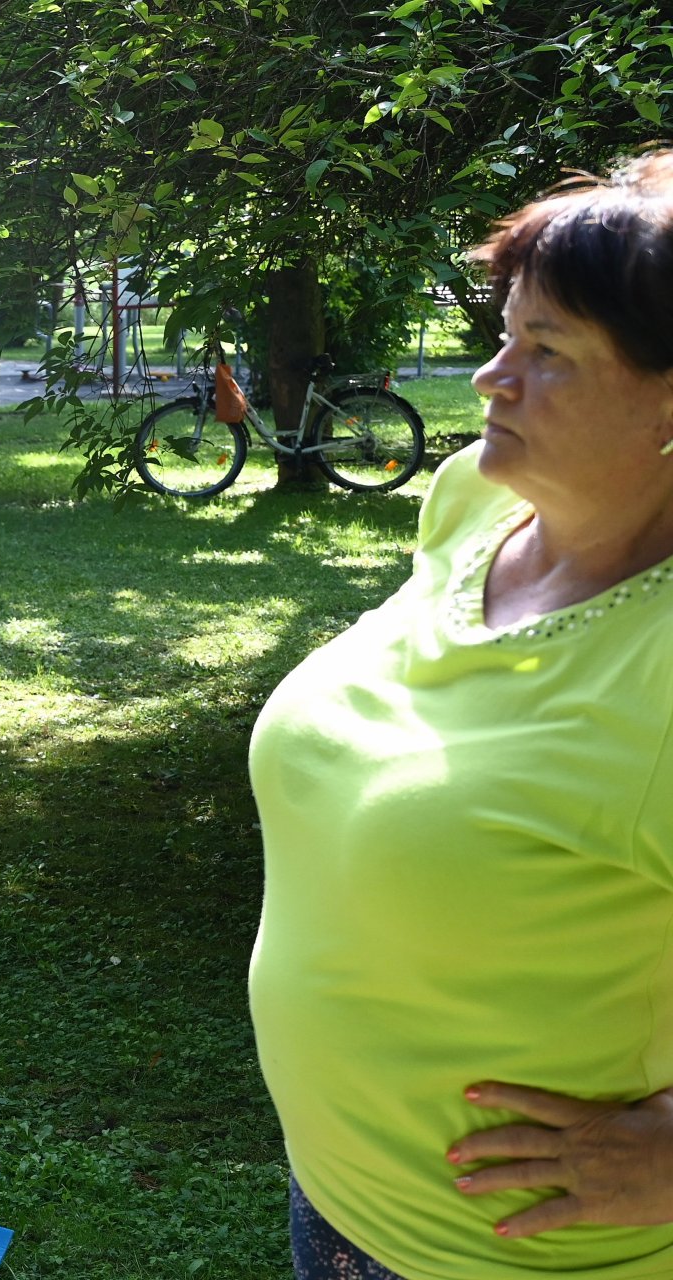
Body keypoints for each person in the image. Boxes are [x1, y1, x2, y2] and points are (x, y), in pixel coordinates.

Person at [249, 150, 673, 1280]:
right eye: (506, 333)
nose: (492, 378)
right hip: (335, 1198)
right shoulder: (478, 499)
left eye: (550, 353)